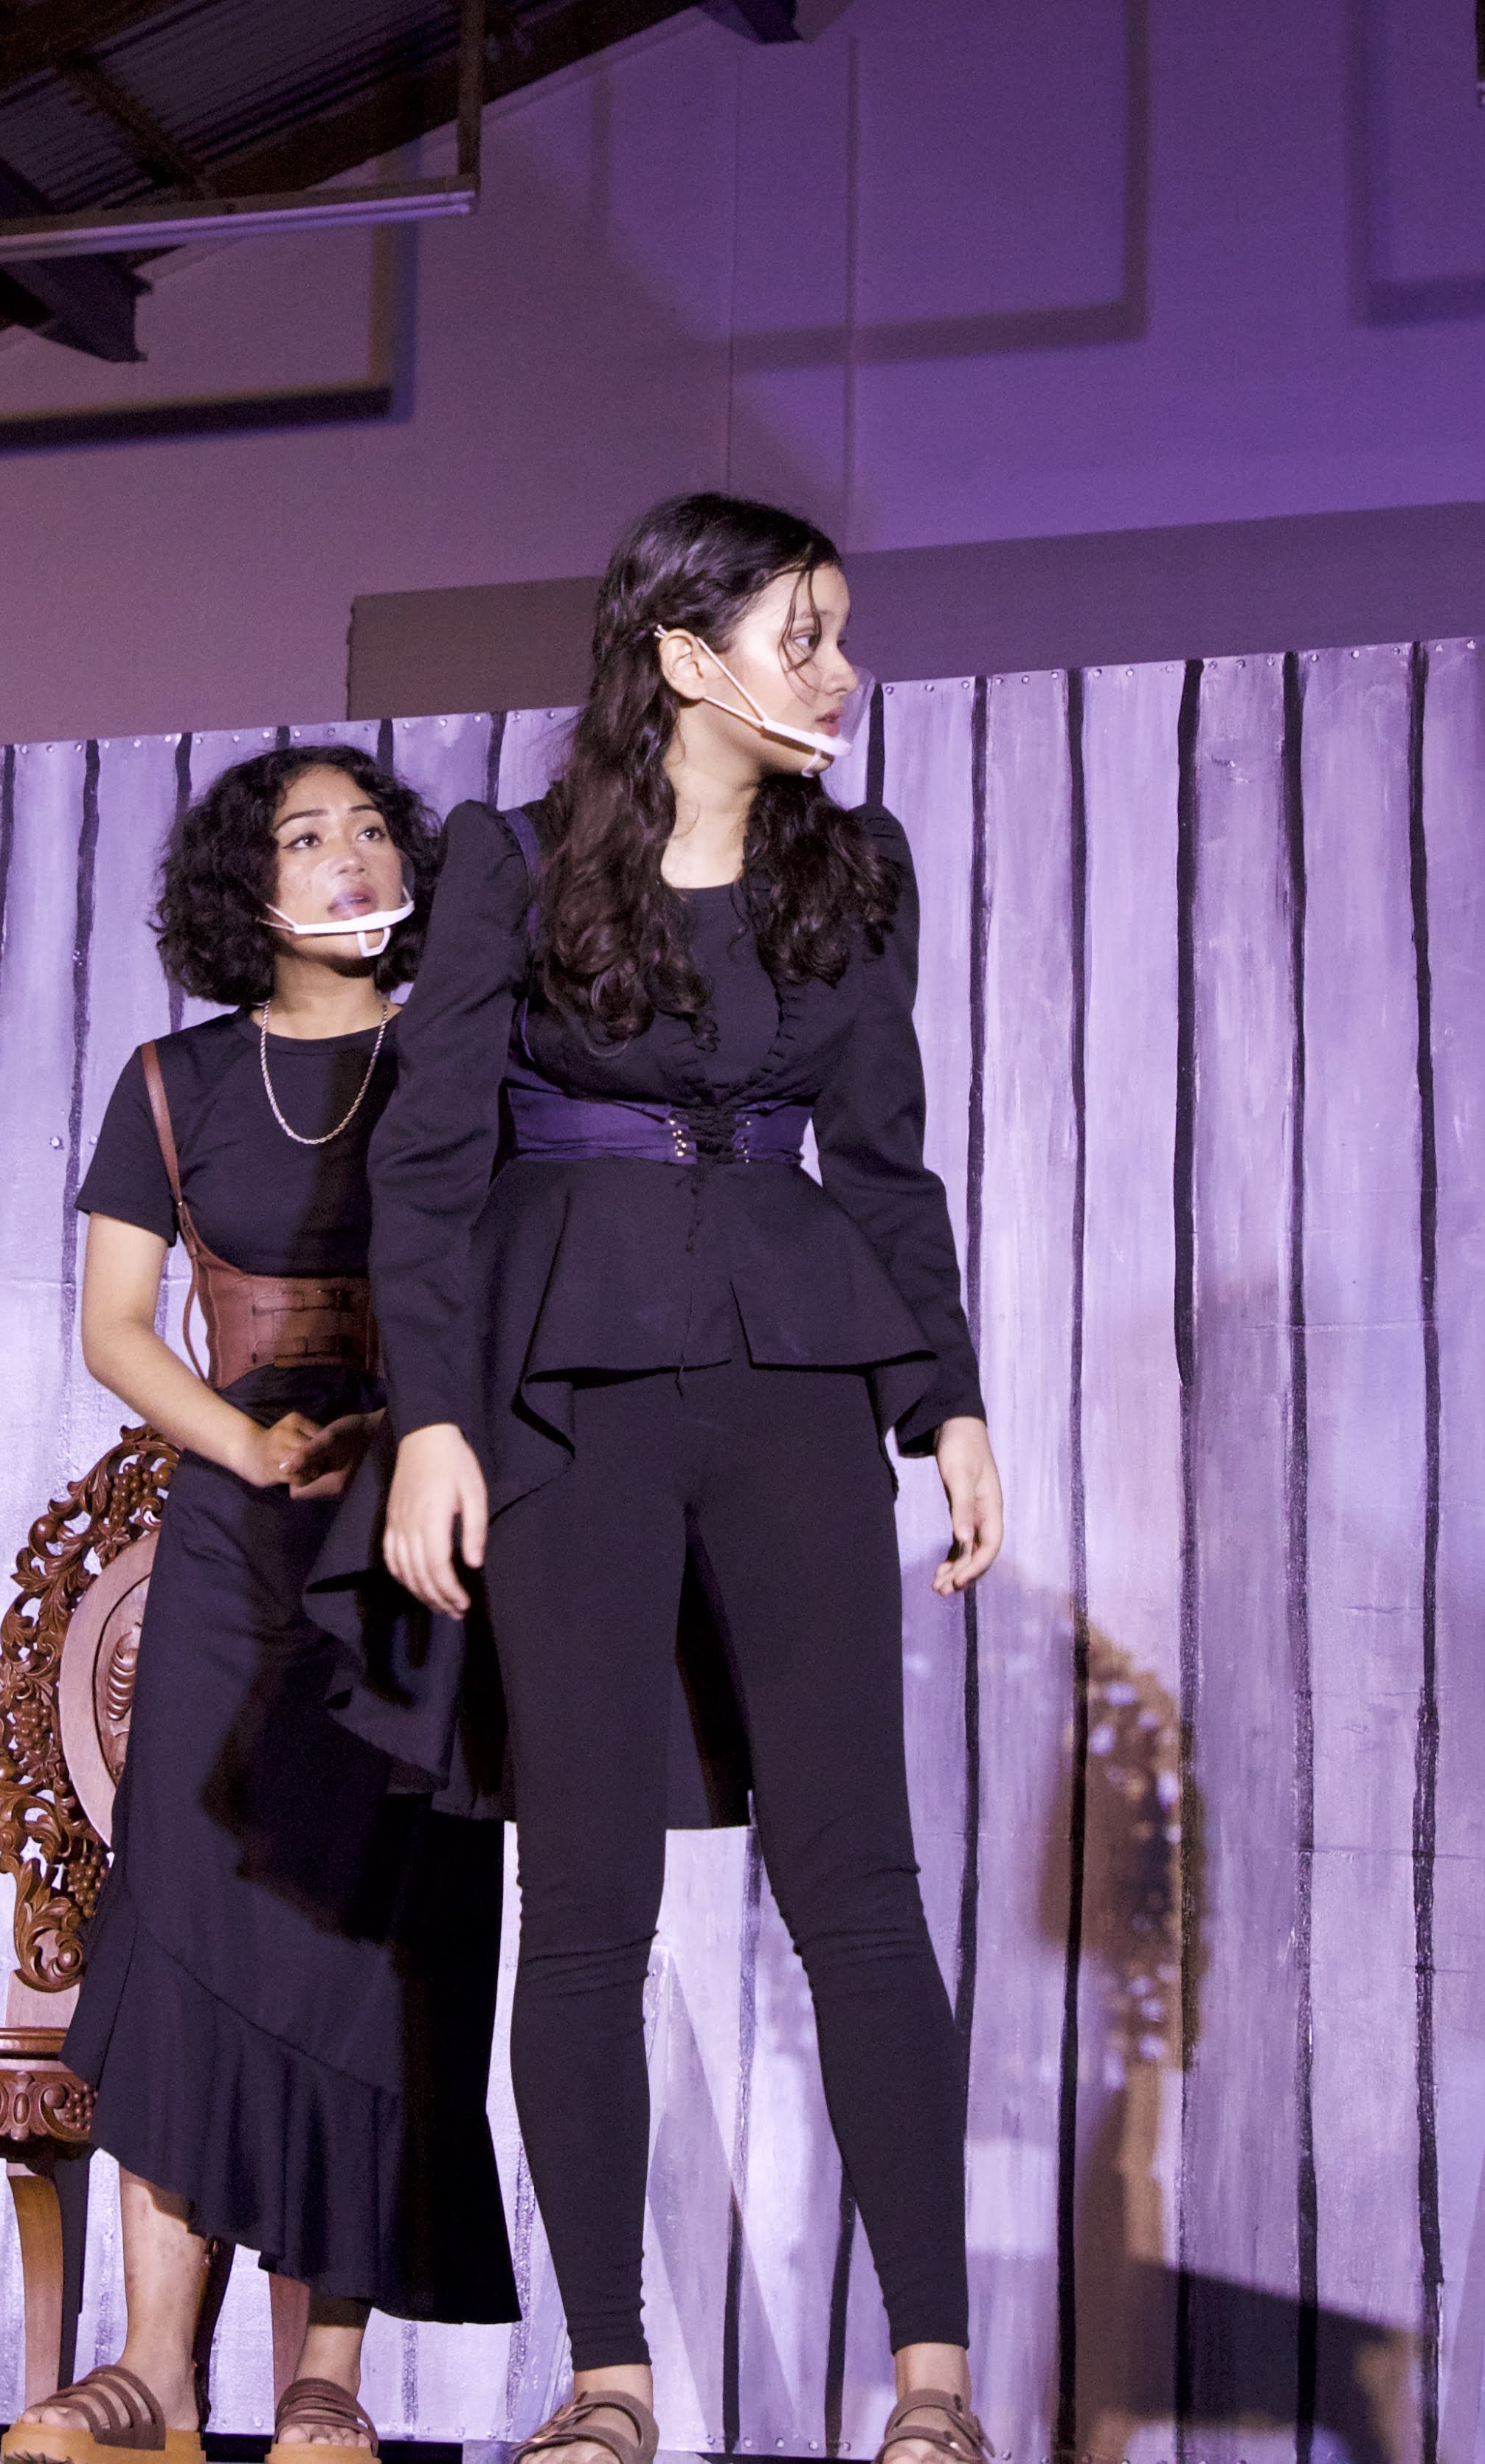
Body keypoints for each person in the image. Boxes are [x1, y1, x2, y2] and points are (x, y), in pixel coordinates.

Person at [359, 491, 1005, 2464]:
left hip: (800, 1373)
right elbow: (431, 1157)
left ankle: (932, 2388)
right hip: (569, 1387)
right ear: (681, 654)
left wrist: (948, 1404)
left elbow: (882, 1155)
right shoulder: (511, 860)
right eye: (798, 633)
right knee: (583, 1892)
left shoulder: (855, 866)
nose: (835, 669)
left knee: (859, 1879)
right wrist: (435, 1421)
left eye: (837, 631)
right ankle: (608, 2378)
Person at [20, 747, 516, 2464]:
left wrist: (401, 1430)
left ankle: (329, 2376)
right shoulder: (172, 1080)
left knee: (365, 1941)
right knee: (197, 1933)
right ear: (246, 886)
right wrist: (247, 1436)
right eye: (304, 834)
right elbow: (114, 1326)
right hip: (236, 1538)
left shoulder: (464, 1060)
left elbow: (516, 1286)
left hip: (416, 1522)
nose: (344, 854)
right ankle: (156, 2367)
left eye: (370, 827)